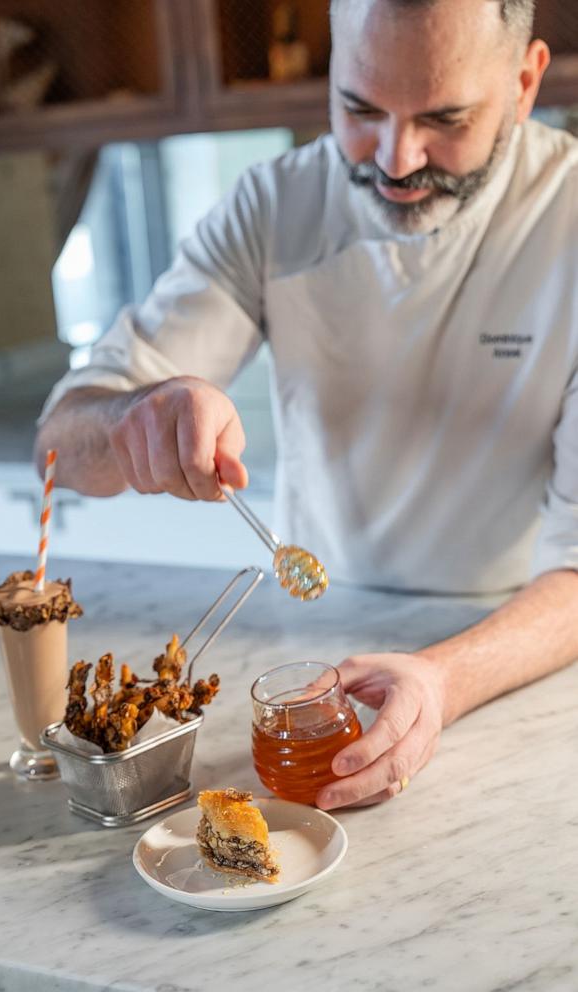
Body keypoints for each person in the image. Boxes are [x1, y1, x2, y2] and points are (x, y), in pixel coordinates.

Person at [36, 0, 578, 811]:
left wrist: (442, 678)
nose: (396, 159)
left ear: (525, 80)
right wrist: (129, 416)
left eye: (444, 118)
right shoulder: (273, 206)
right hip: (305, 641)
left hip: (506, 651)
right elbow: (59, 443)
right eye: (360, 108)